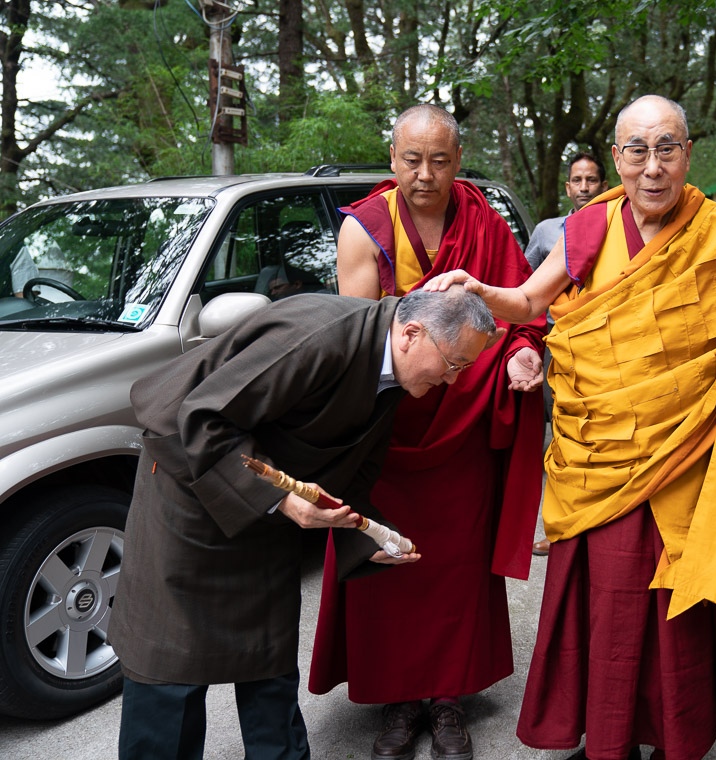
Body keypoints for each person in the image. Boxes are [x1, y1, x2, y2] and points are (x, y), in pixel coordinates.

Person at [427, 94, 716, 760]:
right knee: (607, 606)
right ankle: (606, 738)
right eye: (637, 150)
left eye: (667, 148)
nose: (652, 167)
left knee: (677, 608)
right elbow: (532, 299)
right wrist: (481, 290)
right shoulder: (589, 227)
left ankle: (671, 740)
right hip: (600, 452)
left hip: (685, 451)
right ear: (617, 157)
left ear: (687, 154)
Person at [109, 287, 499, 759]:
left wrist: (366, 536)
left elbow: (354, 469)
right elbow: (206, 417)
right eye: (454, 364)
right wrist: (281, 499)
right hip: (192, 486)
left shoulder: (393, 367)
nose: (454, 380)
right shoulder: (319, 337)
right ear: (411, 334)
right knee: (172, 668)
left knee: (268, 663)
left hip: (271, 500)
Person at [308, 104, 546, 760]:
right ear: (392, 160)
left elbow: (522, 304)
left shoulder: (482, 220)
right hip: (389, 427)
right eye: (412, 160)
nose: (425, 174)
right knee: (387, 562)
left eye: (439, 161)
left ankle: (446, 701)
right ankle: (398, 699)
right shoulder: (365, 229)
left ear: (457, 160)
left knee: (453, 568)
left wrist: (525, 351)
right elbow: (357, 343)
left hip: (462, 420)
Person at [525, 151, 609, 557]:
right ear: (567, 186)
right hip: (555, 347)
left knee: (596, 435)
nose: (584, 187)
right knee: (559, 436)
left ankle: (597, 521)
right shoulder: (546, 232)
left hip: (602, 348)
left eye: (592, 180)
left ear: (603, 185)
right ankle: (556, 526)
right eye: (577, 180)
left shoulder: (616, 229)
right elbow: (525, 283)